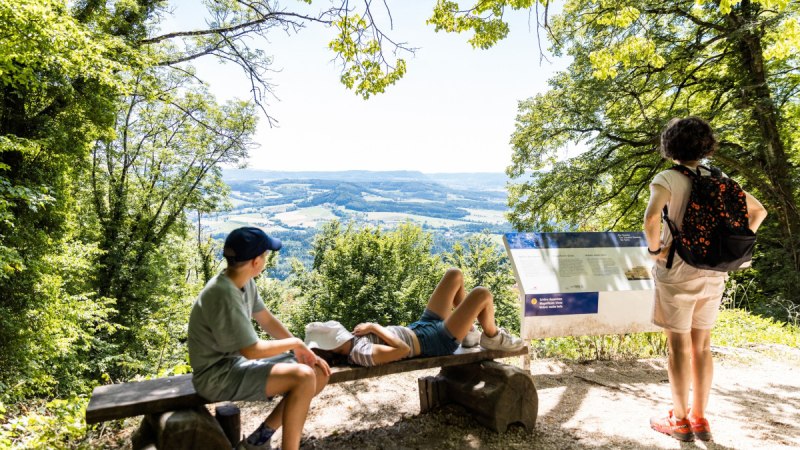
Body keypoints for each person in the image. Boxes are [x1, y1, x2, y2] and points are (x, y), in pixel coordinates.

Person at [644, 117, 767, 442]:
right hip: (714, 271)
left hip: (679, 270)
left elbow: (652, 216)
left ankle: (680, 421)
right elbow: (759, 212)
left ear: (670, 147)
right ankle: (700, 418)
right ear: (705, 145)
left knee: (679, 348)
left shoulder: (668, 177)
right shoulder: (721, 178)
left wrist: (656, 249)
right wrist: (730, 247)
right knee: (703, 346)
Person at [187, 227, 331, 450]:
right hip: (216, 376)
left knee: (316, 370)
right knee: (303, 376)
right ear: (255, 261)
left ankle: (259, 440)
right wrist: (296, 343)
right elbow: (251, 350)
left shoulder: (243, 282)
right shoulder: (223, 293)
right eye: (265, 255)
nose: (265, 260)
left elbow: (266, 320)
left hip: (236, 365)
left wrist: (301, 351)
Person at [304, 268, 525, 367]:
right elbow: (403, 351)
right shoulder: (360, 353)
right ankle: (493, 336)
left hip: (421, 326)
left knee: (454, 275)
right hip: (435, 340)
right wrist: (375, 327)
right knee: (482, 294)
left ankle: (467, 333)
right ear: (332, 348)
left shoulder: (351, 341)